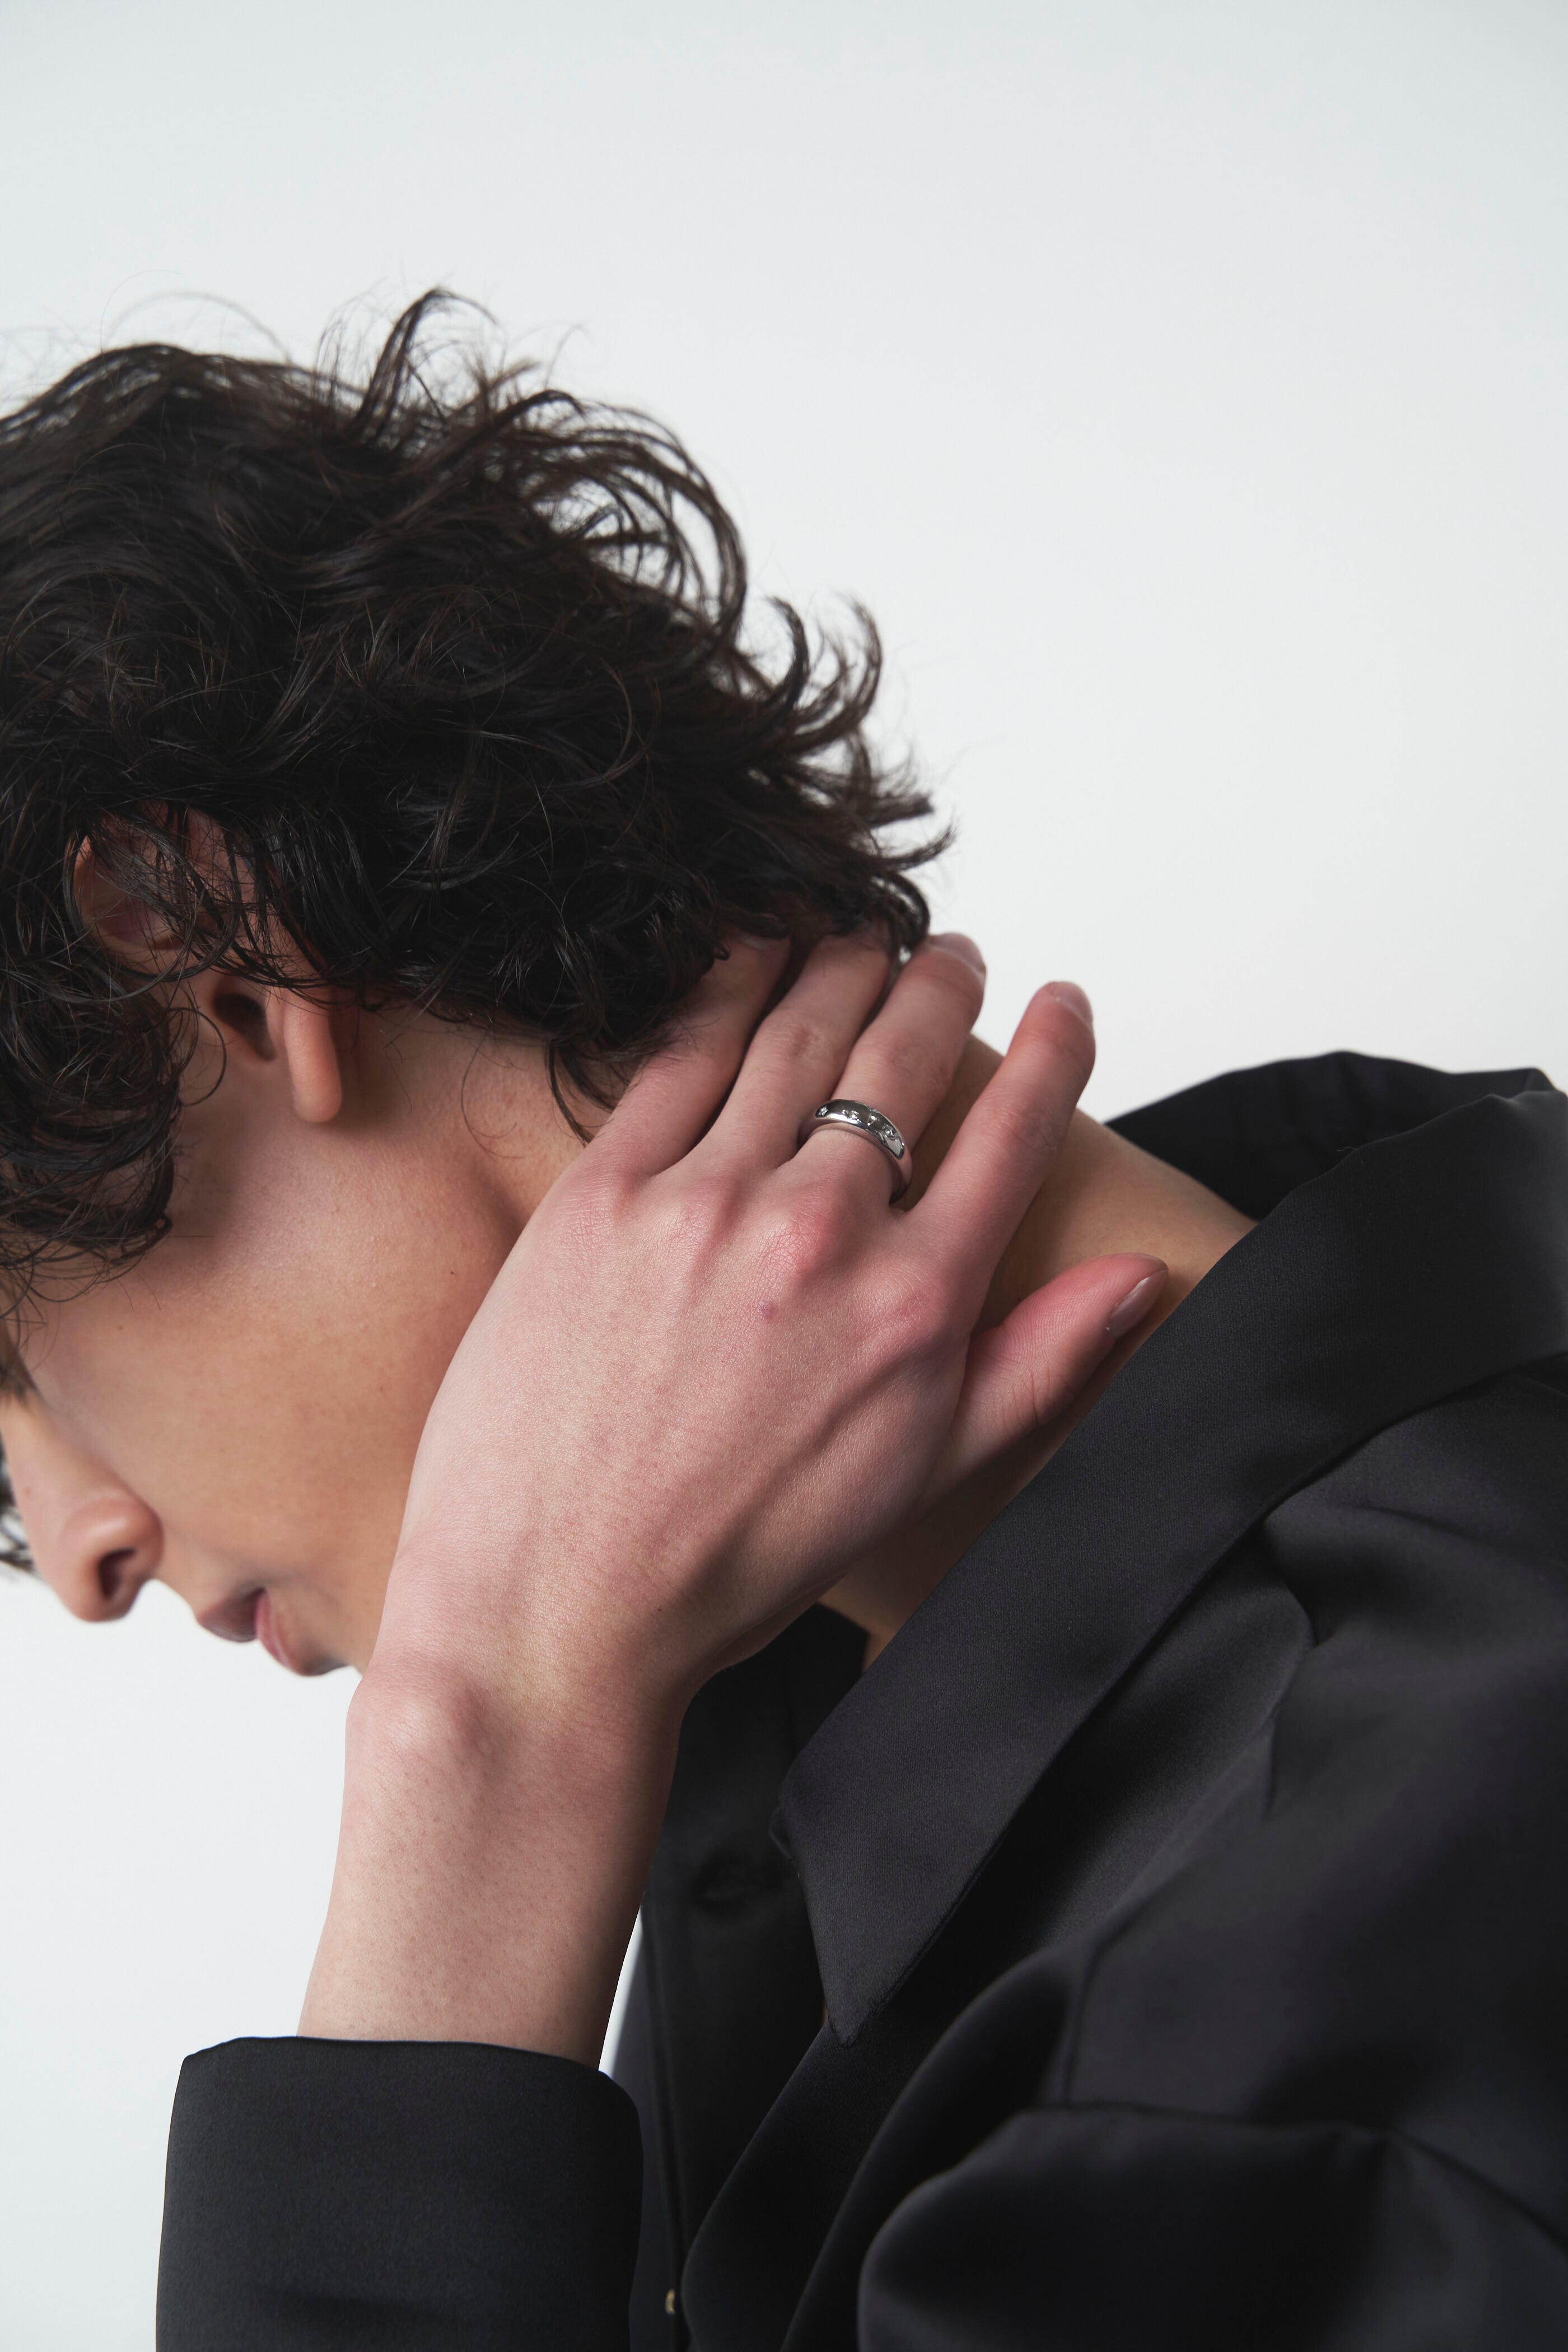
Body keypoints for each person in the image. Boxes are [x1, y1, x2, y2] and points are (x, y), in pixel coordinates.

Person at [1, 298, 1566, 2351]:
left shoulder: (1311, 2014)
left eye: (10, 1360)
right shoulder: (799, 1735)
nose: (79, 1551)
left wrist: (479, 1756)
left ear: (198, 957)